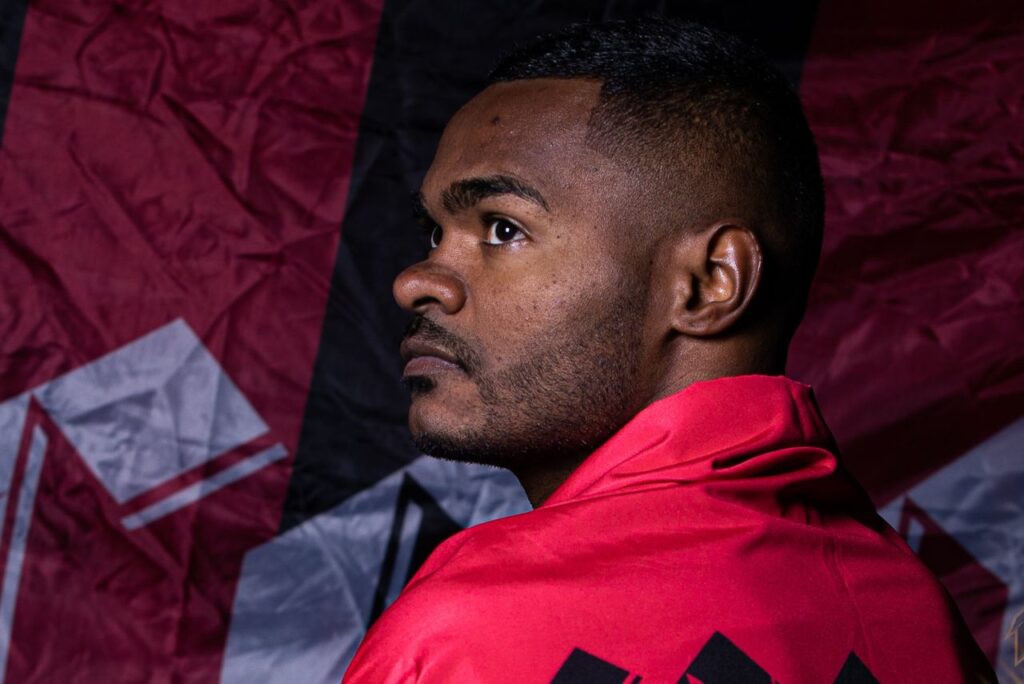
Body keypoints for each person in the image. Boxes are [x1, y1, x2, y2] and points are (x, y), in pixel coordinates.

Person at [343, 18, 994, 683]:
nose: (416, 282)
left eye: (504, 229)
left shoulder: (469, 633)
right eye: (434, 232)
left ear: (709, 283)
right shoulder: (923, 620)